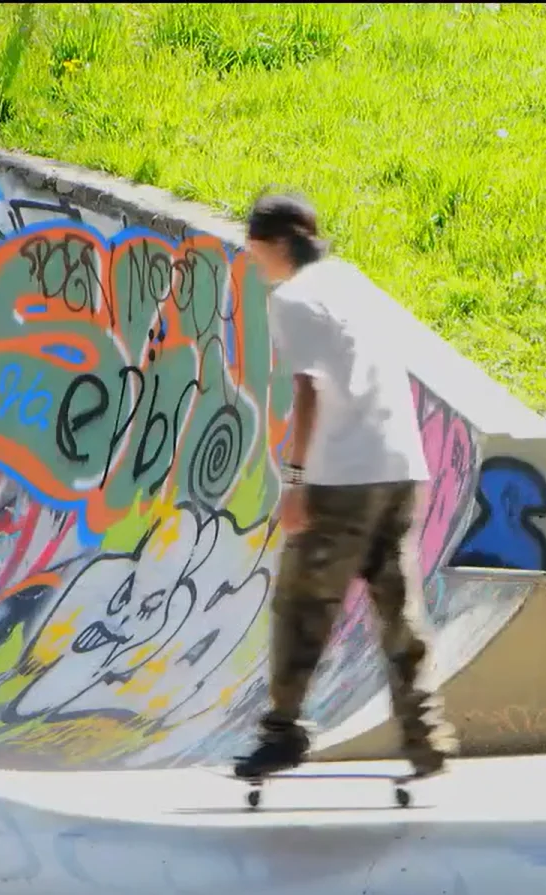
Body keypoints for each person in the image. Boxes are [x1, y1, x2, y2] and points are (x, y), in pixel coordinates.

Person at [234, 192, 459, 781]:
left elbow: (307, 389)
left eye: (255, 251)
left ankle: (281, 732)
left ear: (275, 244)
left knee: (303, 604)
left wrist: (297, 479)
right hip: (401, 465)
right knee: (397, 606)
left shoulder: (294, 297)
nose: (255, 264)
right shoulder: (352, 282)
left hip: (343, 475)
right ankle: (425, 733)